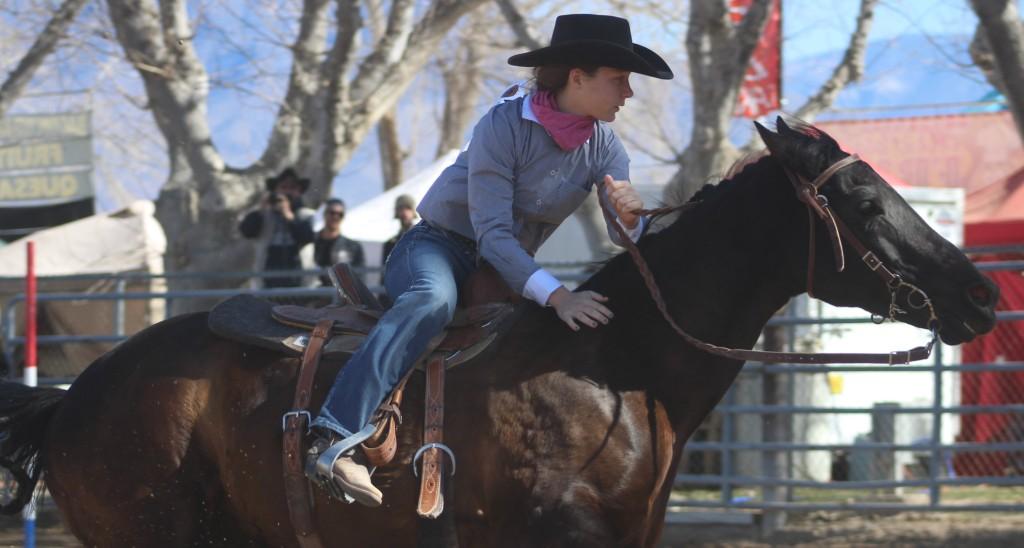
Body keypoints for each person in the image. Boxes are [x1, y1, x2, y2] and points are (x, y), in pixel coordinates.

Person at [306, 13, 673, 507]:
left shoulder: (605, 143)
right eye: (619, 79)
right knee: (431, 301)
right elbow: (493, 233)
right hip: (437, 246)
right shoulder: (503, 125)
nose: (628, 93)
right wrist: (560, 296)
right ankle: (331, 434)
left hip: (505, 269)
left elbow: (619, 230)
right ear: (577, 78)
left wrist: (628, 216)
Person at [238, 168, 315, 288]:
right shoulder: (263, 215)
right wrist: (261, 210)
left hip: (300, 282)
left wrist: (289, 216)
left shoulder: (306, 215)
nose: (288, 192)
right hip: (267, 282)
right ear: (275, 191)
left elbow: (307, 237)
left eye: (292, 187)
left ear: (299, 191)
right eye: (283, 187)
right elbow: (246, 231)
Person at [314, 198, 365, 286]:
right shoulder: (310, 242)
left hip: (340, 296)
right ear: (324, 214)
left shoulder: (353, 246)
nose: (336, 217)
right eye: (332, 213)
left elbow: (360, 277)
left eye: (340, 214)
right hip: (311, 294)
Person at [382, 194, 418, 264]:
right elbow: (385, 270)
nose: (404, 212)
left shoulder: (422, 238)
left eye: (408, 208)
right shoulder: (390, 243)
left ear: (413, 211)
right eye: (401, 208)